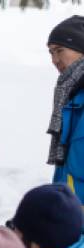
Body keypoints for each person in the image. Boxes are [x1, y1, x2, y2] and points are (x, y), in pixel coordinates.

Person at [47, 16, 84, 205]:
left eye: (60, 50)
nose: (54, 60)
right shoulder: (70, 96)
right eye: (51, 52)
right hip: (71, 211)